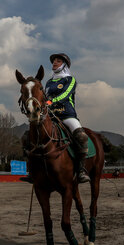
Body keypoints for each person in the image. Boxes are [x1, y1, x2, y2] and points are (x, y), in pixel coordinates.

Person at [21, 53, 91, 184]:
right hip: (50, 116)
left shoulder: (70, 80)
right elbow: (44, 97)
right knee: (27, 137)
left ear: (64, 65)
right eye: (53, 61)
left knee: (81, 136)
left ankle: (81, 170)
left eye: (58, 61)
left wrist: (48, 103)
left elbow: (65, 95)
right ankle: (32, 171)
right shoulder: (48, 82)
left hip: (67, 115)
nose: (54, 63)